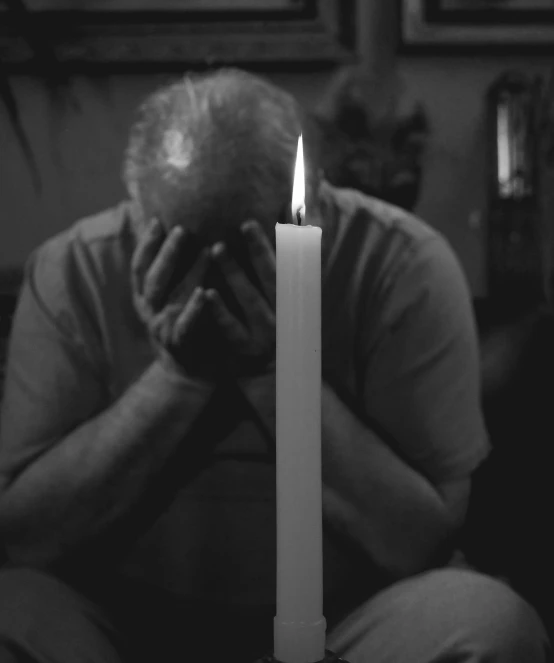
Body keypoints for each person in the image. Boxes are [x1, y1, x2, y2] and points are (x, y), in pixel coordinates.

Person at [0, 68, 549, 663]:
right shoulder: (72, 271)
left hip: (348, 625)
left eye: (253, 248)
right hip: (119, 626)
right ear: (137, 209)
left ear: (316, 203)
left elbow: (419, 542)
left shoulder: (404, 265)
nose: (223, 282)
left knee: (488, 625)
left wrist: (273, 372)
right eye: (187, 247)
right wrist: (178, 378)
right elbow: (28, 540)